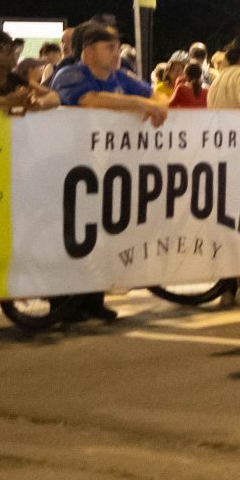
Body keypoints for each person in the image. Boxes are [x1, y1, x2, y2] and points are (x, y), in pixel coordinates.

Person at [48, 20, 170, 325]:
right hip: (67, 167)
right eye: (110, 48)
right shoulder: (70, 74)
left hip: (104, 168)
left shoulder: (120, 76)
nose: (117, 54)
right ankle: (62, 303)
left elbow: (158, 96)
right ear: (89, 51)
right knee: (70, 235)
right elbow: (90, 100)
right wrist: (139, 103)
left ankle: (93, 300)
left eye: (117, 47)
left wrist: (154, 105)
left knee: (100, 233)